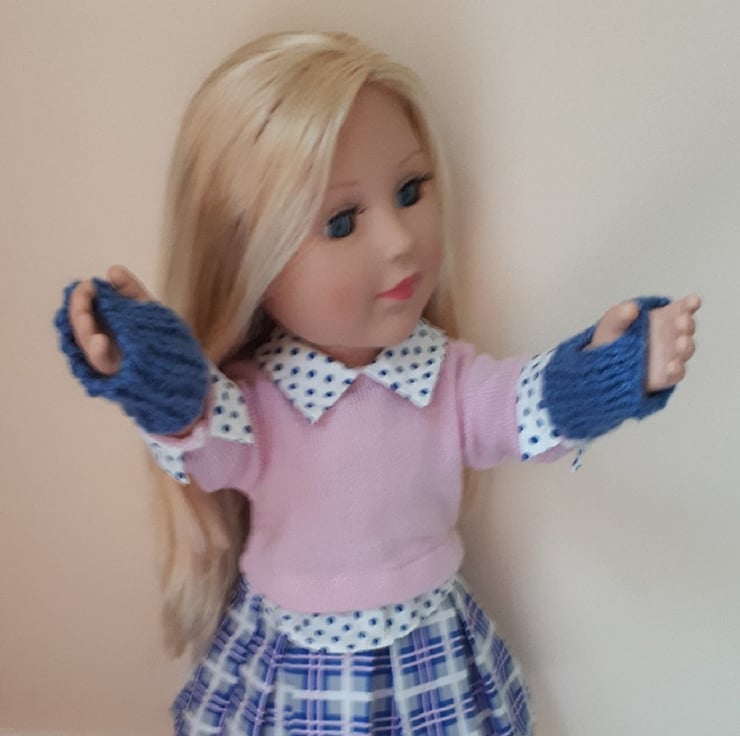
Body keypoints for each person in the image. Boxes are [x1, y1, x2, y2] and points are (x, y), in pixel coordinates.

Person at [54, 31, 700, 736]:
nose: (399, 241)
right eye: (340, 223)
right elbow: (202, 429)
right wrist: (151, 367)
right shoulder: (259, 406)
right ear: (247, 261)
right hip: (294, 665)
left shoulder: (447, 380)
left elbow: (524, 407)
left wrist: (604, 375)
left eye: (411, 191)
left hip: (429, 655)